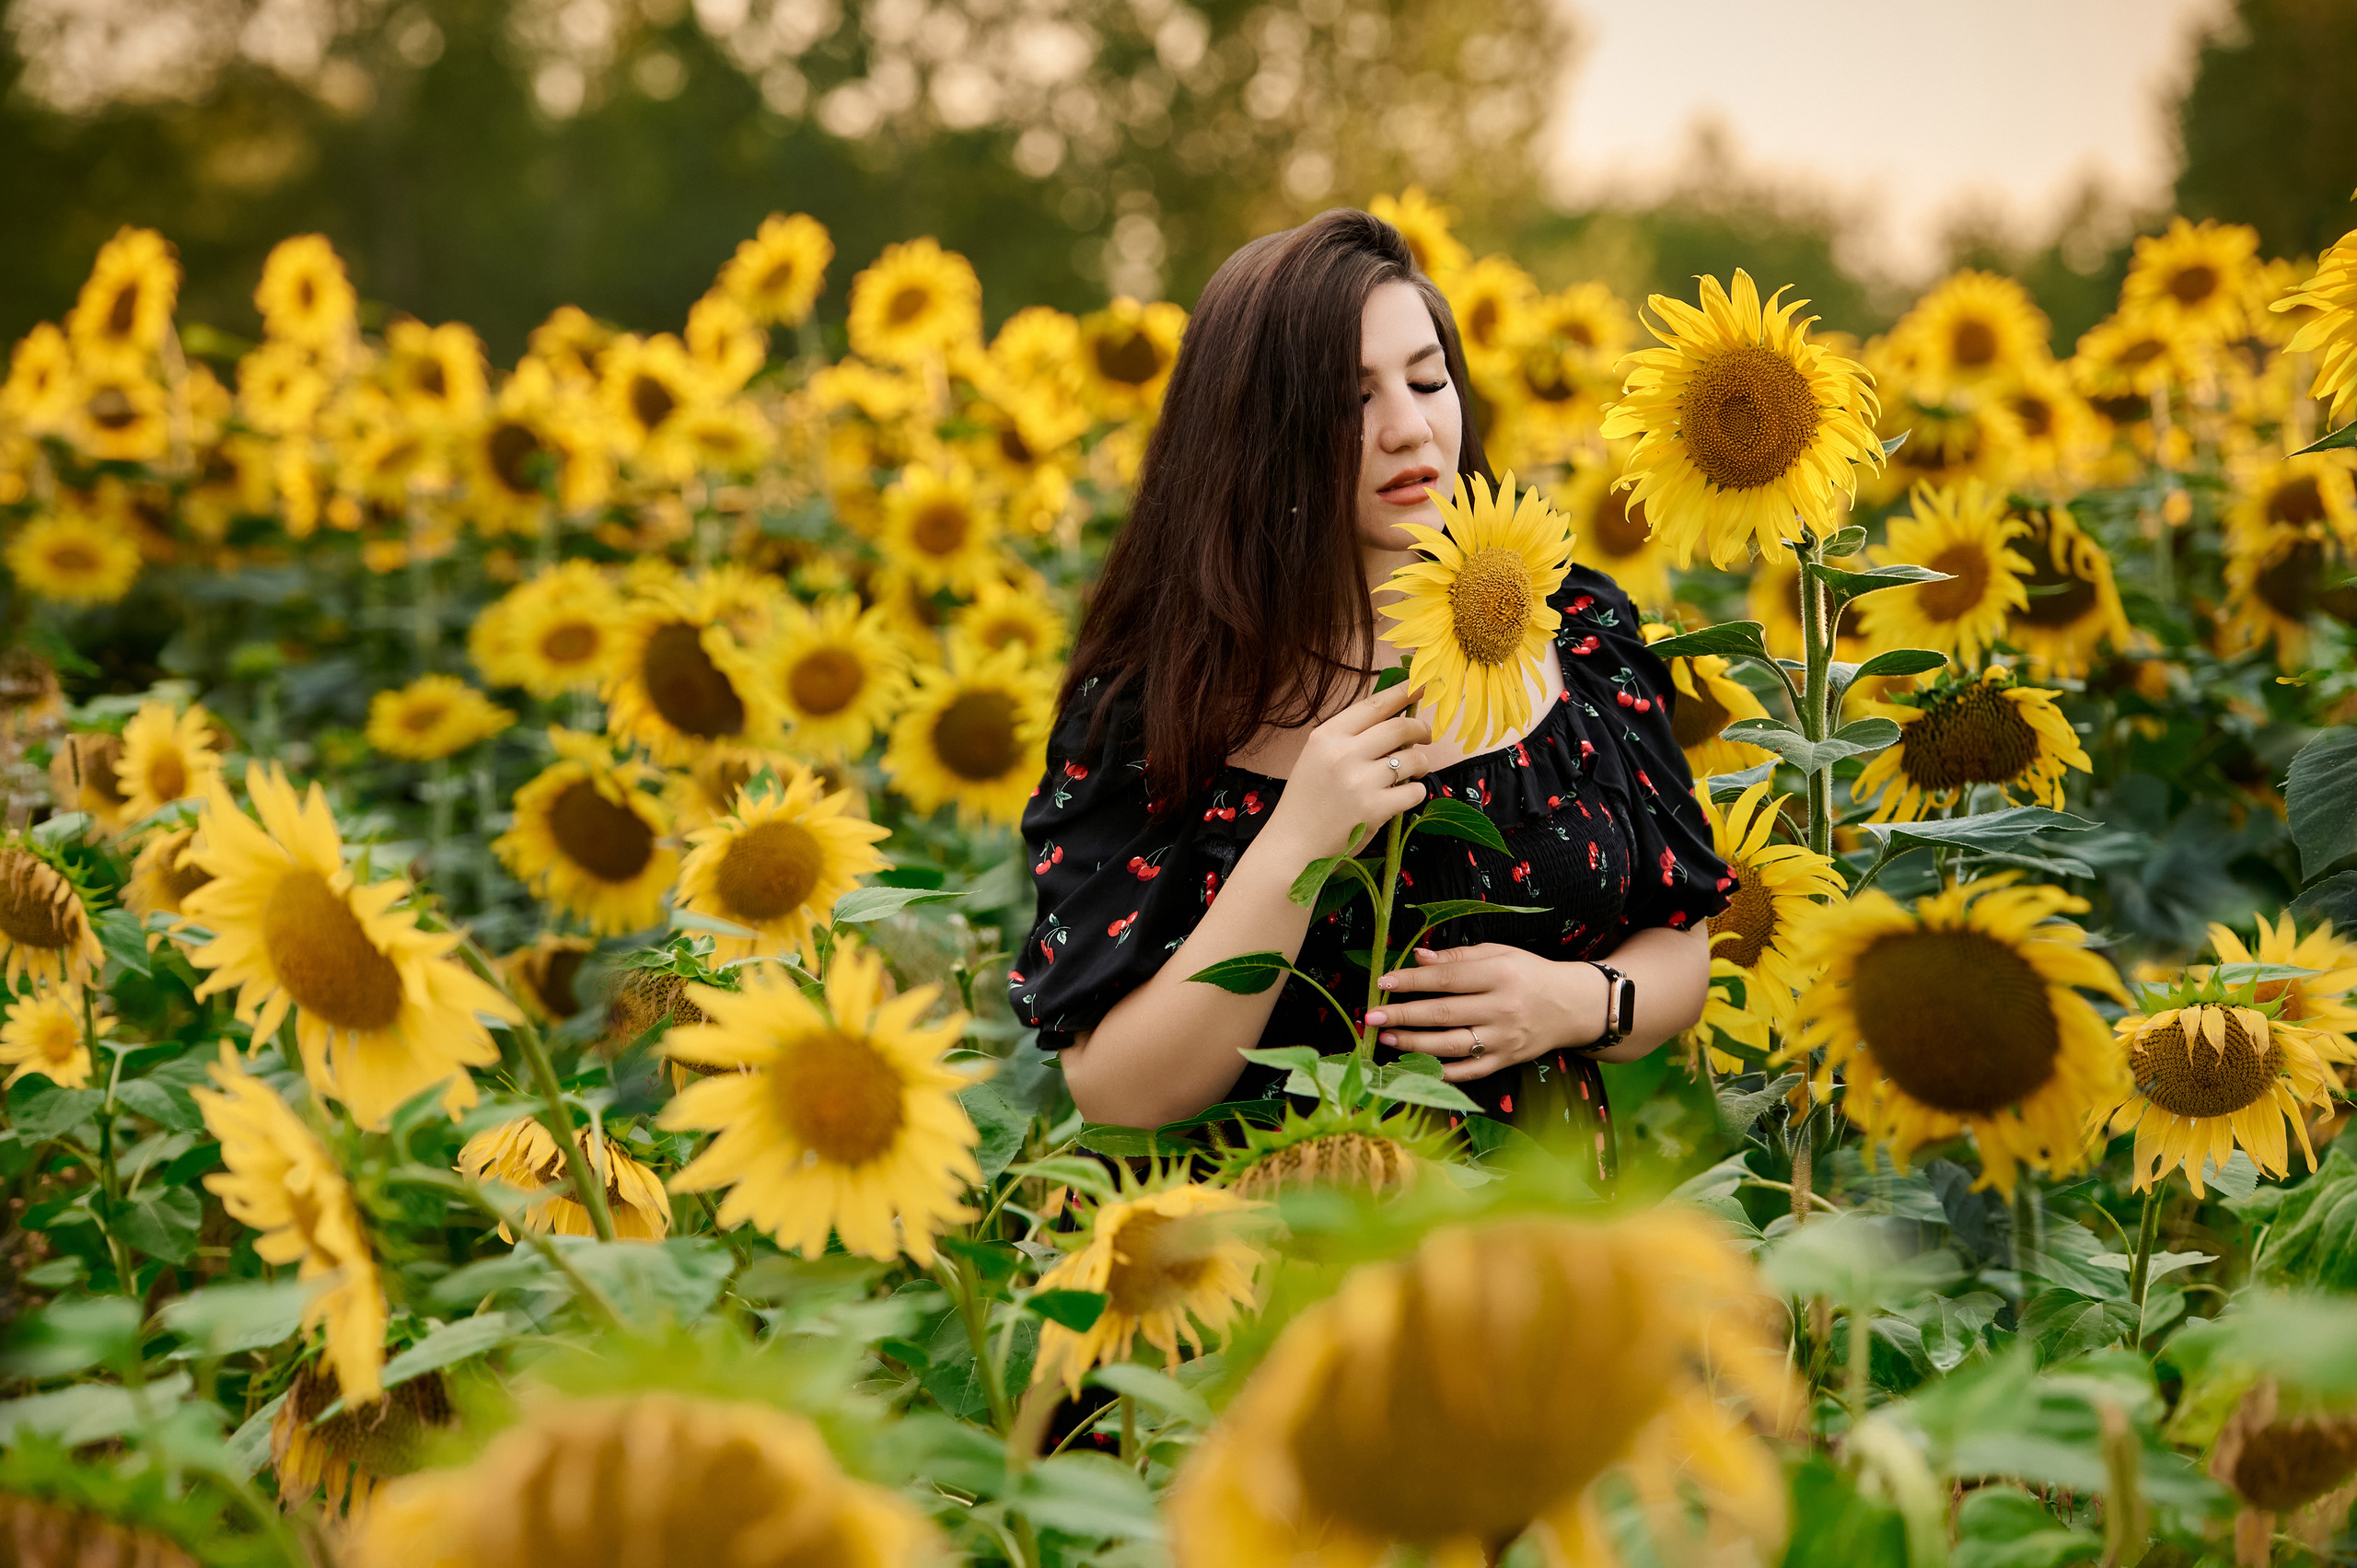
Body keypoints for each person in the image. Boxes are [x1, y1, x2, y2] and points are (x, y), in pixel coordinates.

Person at [1007, 208, 1727, 1183]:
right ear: (1254, 438)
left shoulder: (1575, 633)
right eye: (1351, 400)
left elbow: (1682, 940)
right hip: (1264, 1280)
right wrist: (1300, 838)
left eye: (1427, 380)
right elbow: (1118, 1092)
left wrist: (1578, 1002)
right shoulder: (1156, 706)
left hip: (1533, 1271)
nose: (1408, 427)